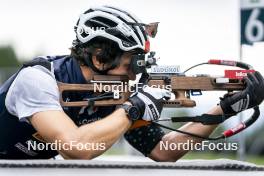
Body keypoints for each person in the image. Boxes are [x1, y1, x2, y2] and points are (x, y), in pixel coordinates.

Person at [0, 5, 263, 160]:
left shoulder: (118, 94)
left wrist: (222, 111)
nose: (135, 75)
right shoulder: (38, 80)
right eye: (131, 63)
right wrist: (134, 108)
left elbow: (163, 150)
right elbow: (75, 148)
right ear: (101, 57)